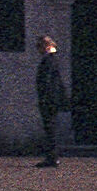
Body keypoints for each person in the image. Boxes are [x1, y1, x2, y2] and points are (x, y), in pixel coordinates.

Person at [34, 36, 68, 168]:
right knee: (50, 127)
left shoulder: (49, 60)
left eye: (39, 46)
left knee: (50, 128)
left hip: (49, 99)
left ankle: (52, 156)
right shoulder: (53, 59)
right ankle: (52, 156)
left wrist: (43, 97)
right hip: (52, 99)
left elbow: (46, 82)